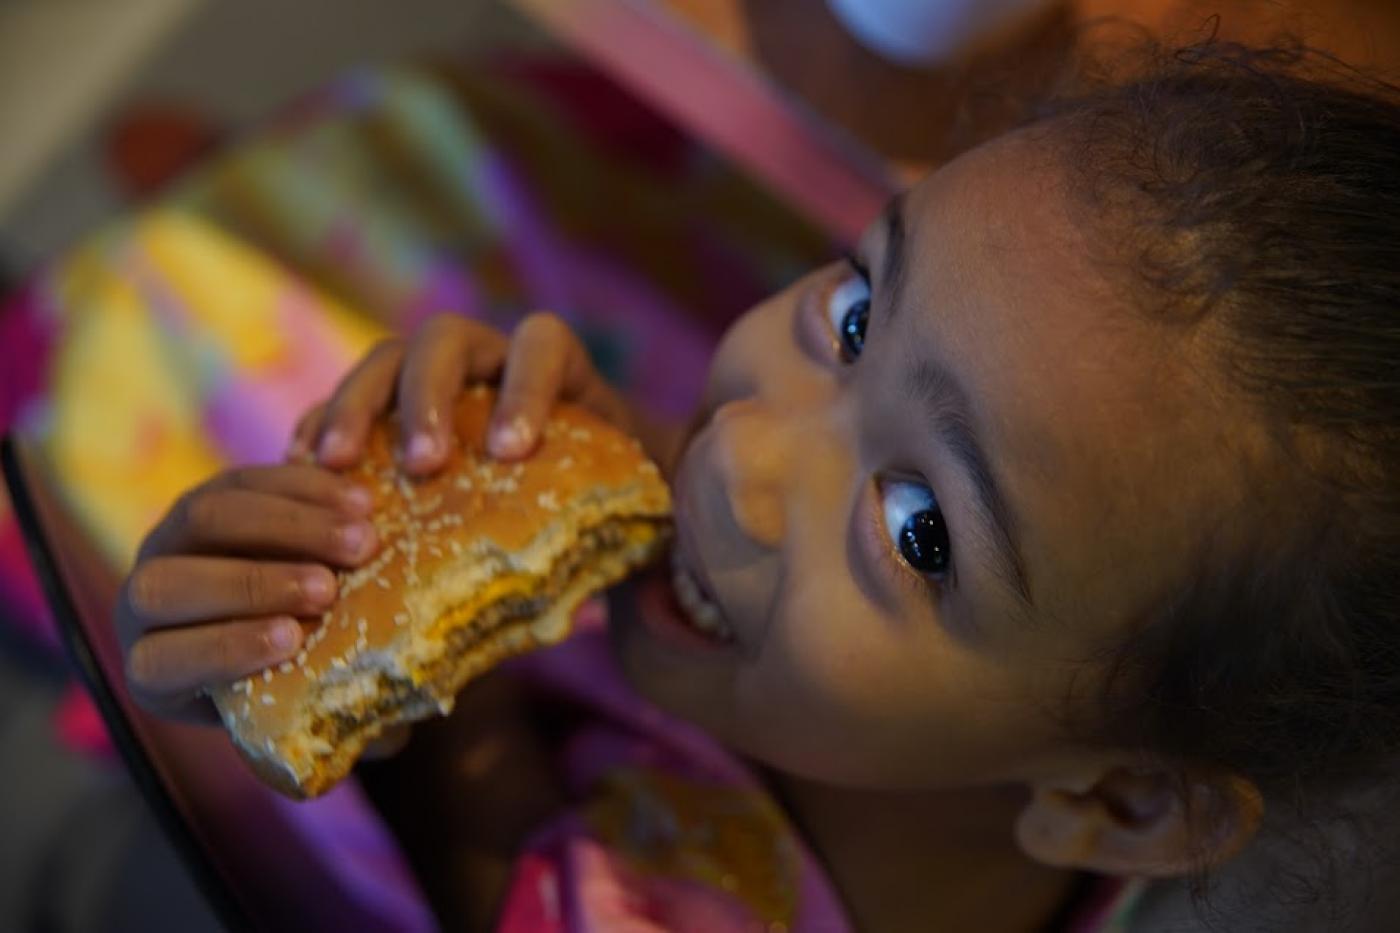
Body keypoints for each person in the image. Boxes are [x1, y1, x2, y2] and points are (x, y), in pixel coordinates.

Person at [111, 41, 1400, 931]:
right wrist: (485, 487)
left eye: (919, 527)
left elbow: (362, 859)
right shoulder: (957, 702)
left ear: (1122, 800)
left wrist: (243, 660)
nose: (733, 456)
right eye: (851, 311)